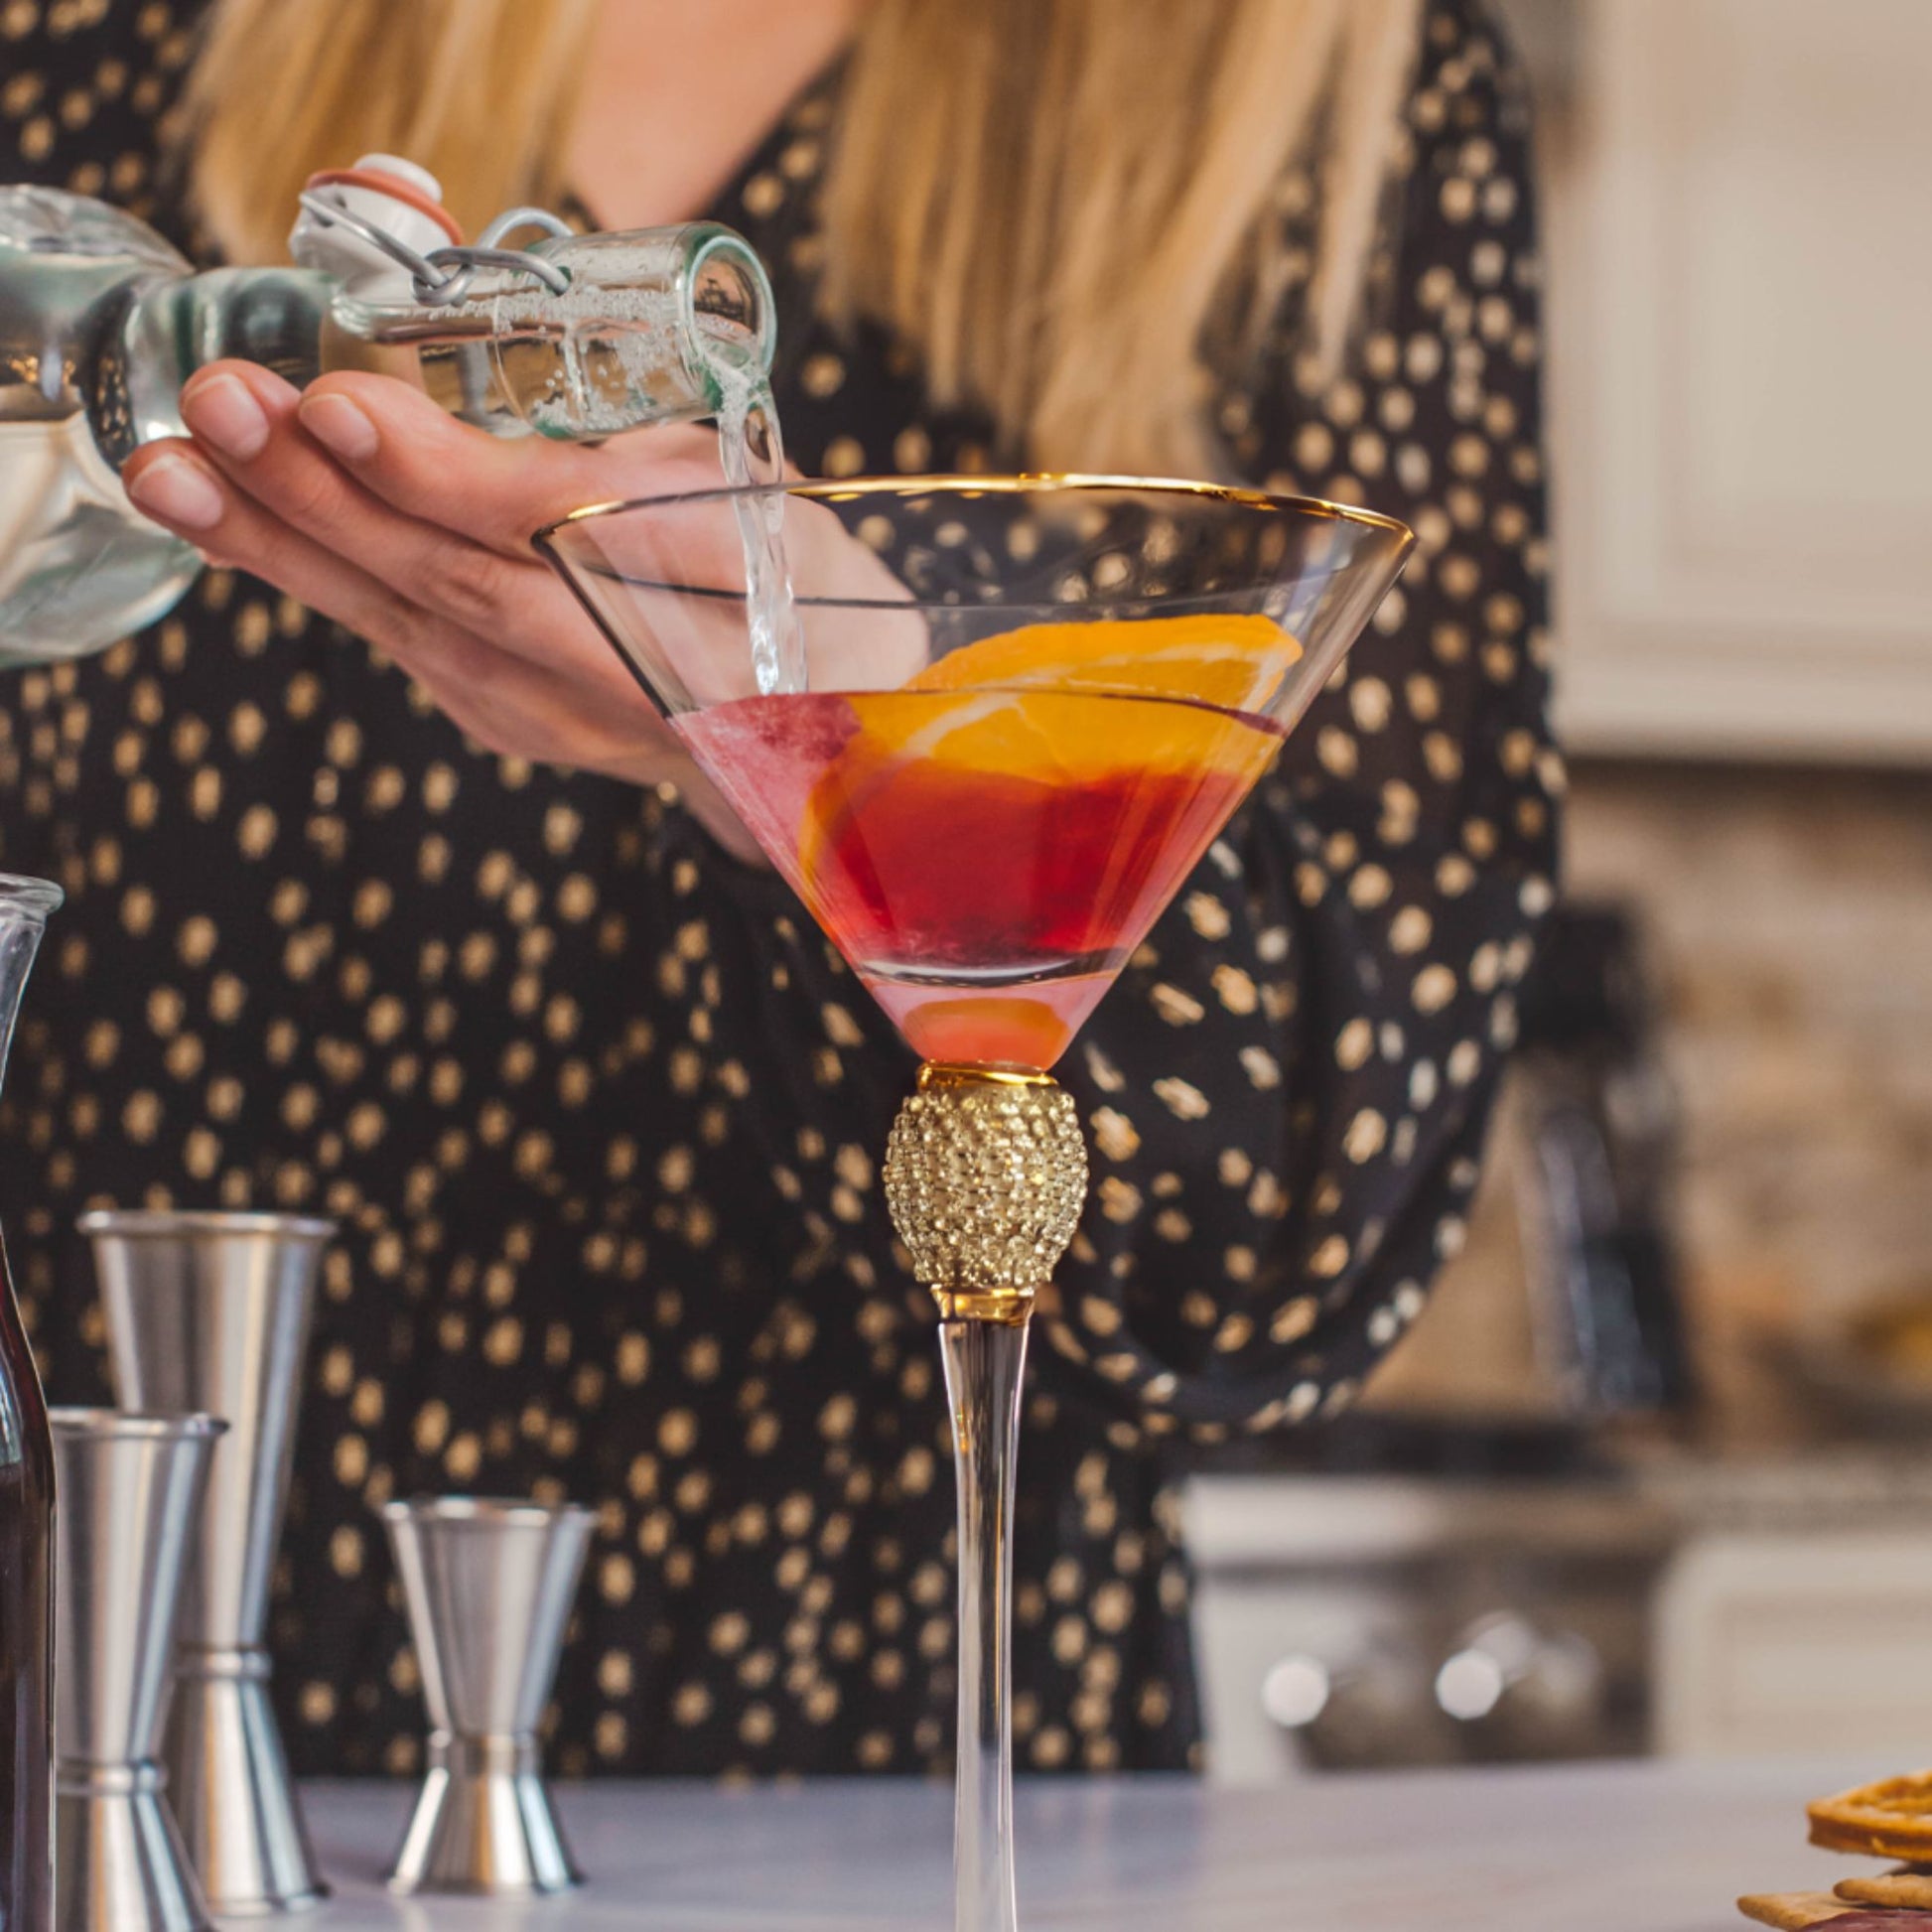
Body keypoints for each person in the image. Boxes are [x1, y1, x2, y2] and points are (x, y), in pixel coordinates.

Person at [0, 0, 1559, 1778]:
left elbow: (1289, 1224)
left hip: (889, 1729)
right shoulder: (86, 38)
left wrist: (856, 752)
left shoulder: (1333, 74)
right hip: (112, 1688)